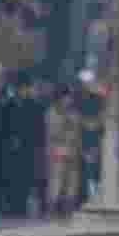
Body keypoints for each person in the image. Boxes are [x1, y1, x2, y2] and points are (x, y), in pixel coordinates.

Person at [46, 84, 83, 218]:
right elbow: (53, 133)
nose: (69, 99)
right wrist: (66, 124)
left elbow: (78, 131)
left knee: (72, 183)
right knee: (56, 182)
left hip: (72, 152)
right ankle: (53, 210)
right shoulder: (53, 112)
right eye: (67, 97)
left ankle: (68, 210)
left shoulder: (74, 112)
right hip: (58, 153)